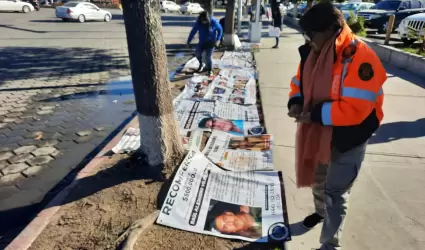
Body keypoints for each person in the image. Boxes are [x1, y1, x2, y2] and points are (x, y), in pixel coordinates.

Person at [287, 3, 386, 250]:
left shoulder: (361, 57)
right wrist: (296, 101)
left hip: (349, 136)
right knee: (320, 181)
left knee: (336, 192)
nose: (309, 40)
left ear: (332, 30)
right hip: (320, 132)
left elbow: (356, 109)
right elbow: (299, 80)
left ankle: (330, 244)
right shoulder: (313, 52)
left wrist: (316, 114)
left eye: (313, 35)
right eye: (306, 35)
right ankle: (320, 213)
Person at [187, 11, 223, 76]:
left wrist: (218, 39)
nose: (204, 22)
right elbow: (193, 31)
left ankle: (209, 70)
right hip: (202, 42)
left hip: (211, 42)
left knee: (208, 57)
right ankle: (201, 64)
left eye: (205, 21)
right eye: (203, 21)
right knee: (197, 53)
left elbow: (220, 30)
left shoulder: (213, 22)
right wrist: (188, 41)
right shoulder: (198, 23)